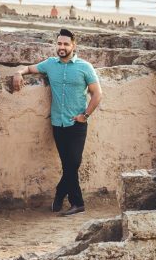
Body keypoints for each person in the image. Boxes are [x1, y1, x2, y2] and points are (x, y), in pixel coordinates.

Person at [9, 29, 102, 215]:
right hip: (57, 123)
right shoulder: (50, 64)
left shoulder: (85, 67)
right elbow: (29, 69)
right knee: (67, 164)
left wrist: (85, 115)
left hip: (77, 123)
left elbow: (97, 94)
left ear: (73, 46)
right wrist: (19, 73)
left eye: (66, 44)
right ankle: (73, 200)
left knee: (73, 163)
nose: (62, 47)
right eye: (59, 44)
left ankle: (66, 196)